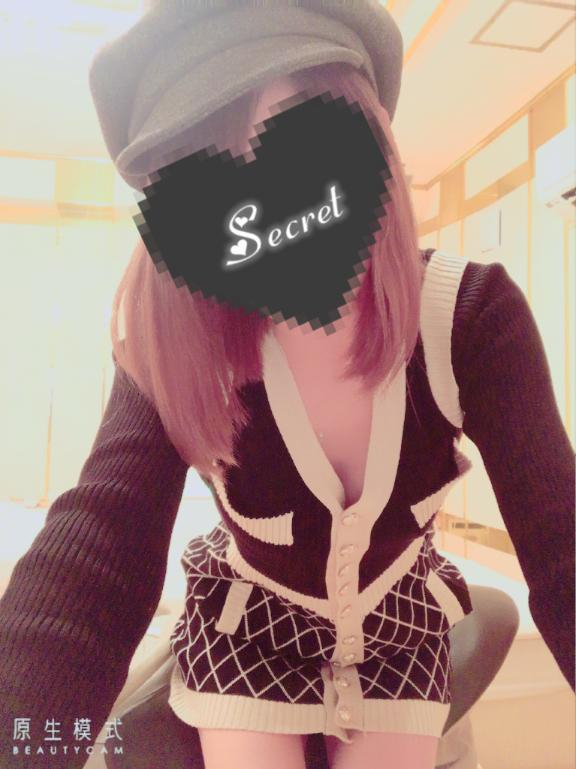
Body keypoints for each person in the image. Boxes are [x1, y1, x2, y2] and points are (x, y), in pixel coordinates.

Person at [0, 3, 573, 769]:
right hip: (248, 628)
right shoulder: (173, 343)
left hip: (398, 629)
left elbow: (564, 546)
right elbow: (98, 555)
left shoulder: (468, 318)